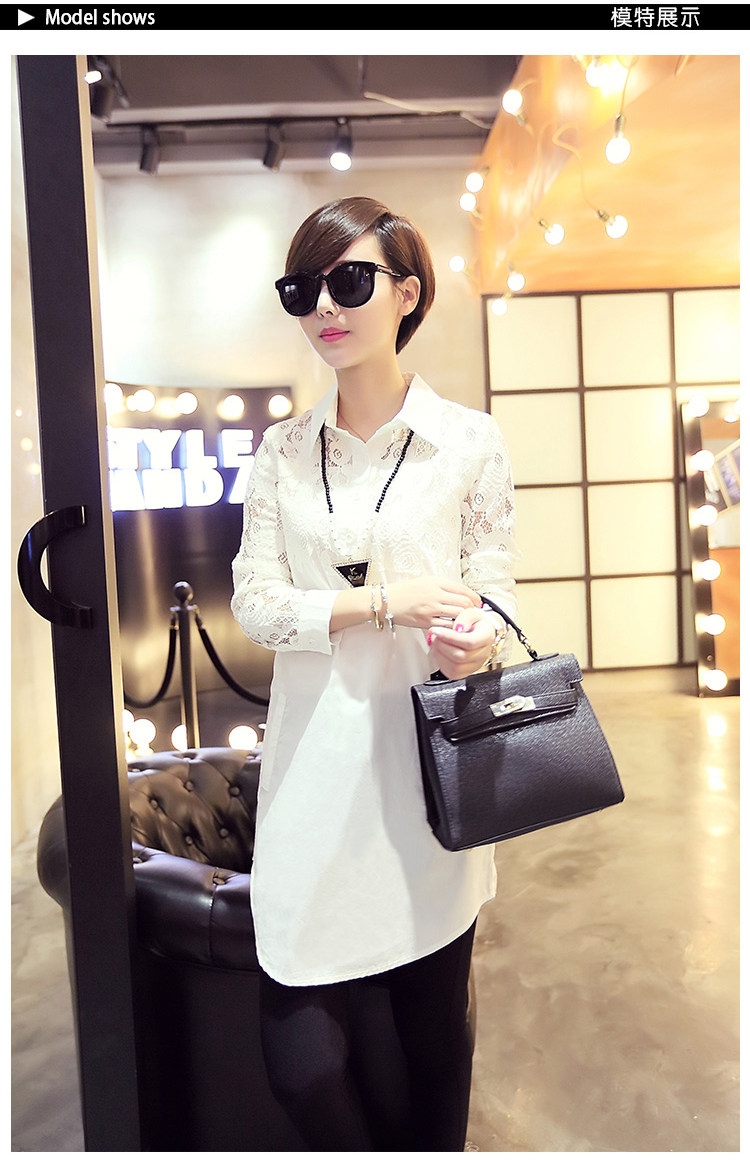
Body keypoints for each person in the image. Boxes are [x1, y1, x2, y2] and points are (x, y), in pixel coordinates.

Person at [231, 195, 518, 1150]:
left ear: (408, 293)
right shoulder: (281, 451)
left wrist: (478, 638)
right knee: (302, 1065)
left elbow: (495, 589)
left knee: (434, 1035)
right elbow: (254, 602)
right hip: (310, 779)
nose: (325, 306)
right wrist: (382, 603)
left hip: (424, 779)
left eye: (349, 281)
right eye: (301, 289)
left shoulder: (468, 442)